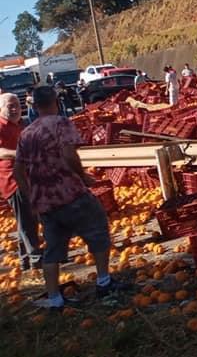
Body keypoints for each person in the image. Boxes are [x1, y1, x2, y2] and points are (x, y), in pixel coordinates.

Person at [13, 86, 128, 310]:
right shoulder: (61, 123)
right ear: (56, 102)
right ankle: (104, 281)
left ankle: (55, 298)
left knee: (53, 249)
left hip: (45, 202)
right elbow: (68, 154)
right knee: (97, 230)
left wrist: (31, 197)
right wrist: (83, 176)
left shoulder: (26, 133)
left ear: (34, 106)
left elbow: (18, 170)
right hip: (70, 193)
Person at [0, 93, 41, 271]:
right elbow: (0, 152)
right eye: (10, 106)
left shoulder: (20, 124)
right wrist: (21, 155)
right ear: (1, 108)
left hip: (25, 175)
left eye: (17, 104)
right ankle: (35, 259)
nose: (15, 109)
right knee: (27, 220)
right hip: (11, 179)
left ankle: (25, 260)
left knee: (26, 218)